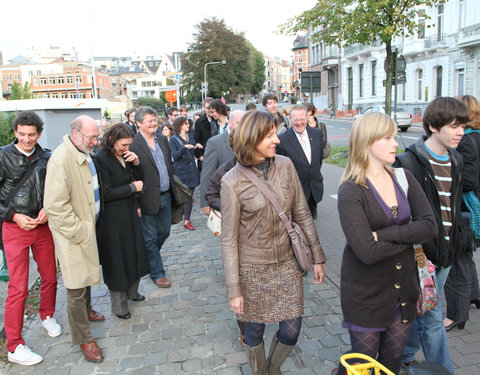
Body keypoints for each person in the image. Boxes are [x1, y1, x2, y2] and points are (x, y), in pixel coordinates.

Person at [221, 110, 326, 375]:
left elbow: (302, 212)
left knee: (291, 330)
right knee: (254, 329)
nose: (276, 140)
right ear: (251, 139)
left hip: (288, 264)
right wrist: (235, 289)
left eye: (275, 133)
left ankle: (273, 367)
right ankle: (260, 372)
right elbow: (229, 240)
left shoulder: (286, 165)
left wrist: (317, 256)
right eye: (269, 135)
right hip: (252, 269)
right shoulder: (231, 181)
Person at [334, 112, 437, 375]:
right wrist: (408, 235)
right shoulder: (351, 190)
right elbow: (367, 251)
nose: (396, 144)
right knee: (362, 363)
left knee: (391, 362)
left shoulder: (403, 178)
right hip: (366, 294)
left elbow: (429, 226)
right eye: (388, 138)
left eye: (394, 137)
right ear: (368, 141)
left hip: (404, 291)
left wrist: (386, 235)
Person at [394, 97, 473, 374]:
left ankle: (403, 354)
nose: (460, 132)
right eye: (453, 126)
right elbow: (403, 213)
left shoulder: (457, 158)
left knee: (424, 307)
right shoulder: (407, 162)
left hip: (448, 251)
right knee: (433, 319)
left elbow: (453, 203)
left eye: (462, 125)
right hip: (421, 255)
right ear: (432, 126)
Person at [0, 111, 61, 366]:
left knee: (49, 275)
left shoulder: (46, 156)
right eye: (22, 134)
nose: (26, 139)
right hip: (15, 228)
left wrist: (49, 207)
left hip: (42, 226)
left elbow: (55, 189)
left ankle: (47, 314)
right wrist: (14, 216)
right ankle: (14, 345)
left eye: (31, 134)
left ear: (39, 133)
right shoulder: (2, 157)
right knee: (18, 287)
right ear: (15, 132)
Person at [44, 115, 105, 363]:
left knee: (86, 277)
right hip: (74, 234)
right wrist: (80, 230)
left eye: (96, 136)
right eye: (92, 137)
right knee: (76, 287)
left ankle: (88, 311)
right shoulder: (61, 158)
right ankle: (84, 338)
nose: (95, 141)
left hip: (86, 228)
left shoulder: (82, 149)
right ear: (77, 134)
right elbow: (55, 206)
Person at [95, 124, 150, 320]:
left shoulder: (125, 155)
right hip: (112, 217)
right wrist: (131, 188)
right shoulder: (101, 158)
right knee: (117, 260)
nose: (126, 148)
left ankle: (133, 292)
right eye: (123, 144)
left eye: (128, 145)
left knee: (134, 252)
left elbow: (141, 179)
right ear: (112, 139)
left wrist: (136, 163)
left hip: (129, 210)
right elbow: (106, 193)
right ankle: (119, 306)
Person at [130, 106, 179, 288]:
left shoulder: (161, 139)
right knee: (150, 237)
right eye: (149, 121)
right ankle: (157, 272)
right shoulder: (133, 144)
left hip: (166, 194)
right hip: (146, 197)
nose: (154, 124)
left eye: (154, 120)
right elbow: (131, 174)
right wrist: (136, 202)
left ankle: (145, 257)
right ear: (139, 123)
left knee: (164, 231)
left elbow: (169, 165)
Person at [443, 94, 480, 330]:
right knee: (466, 257)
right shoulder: (475, 137)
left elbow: (467, 180)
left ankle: (457, 314)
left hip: (467, 209)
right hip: (474, 207)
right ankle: (475, 295)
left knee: (457, 261)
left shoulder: (465, 141)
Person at [276, 105, 325, 220]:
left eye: (302, 119)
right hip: (294, 194)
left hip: (314, 191)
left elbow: (318, 159)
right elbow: (279, 168)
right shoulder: (282, 140)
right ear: (290, 119)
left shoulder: (317, 134)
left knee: (311, 224)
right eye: (296, 119)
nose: (299, 123)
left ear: (307, 118)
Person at [199, 110, 245, 216]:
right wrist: (205, 202)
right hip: (224, 201)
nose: (243, 126)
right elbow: (207, 174)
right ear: (229, 123)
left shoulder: (250, 140)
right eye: (239, 123)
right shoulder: (215, 143)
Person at [169, 117, 201, 230]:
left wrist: (198, 147)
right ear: (180, 125)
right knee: (185, 196)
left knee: (190, 196)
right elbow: (175, 156)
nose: (189, 125)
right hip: (181, 171)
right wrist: (183, 147)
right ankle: (184, 218)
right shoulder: (173, 140)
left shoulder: (190, 138)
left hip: (191, 171)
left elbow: (196, 154)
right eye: (186, 123)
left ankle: (186, 219)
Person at [194, 97, 215, 171]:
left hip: (216, 154)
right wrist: (200, 156)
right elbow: (196, 139)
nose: (209, 110)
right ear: (204, 107)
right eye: (207, 108)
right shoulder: (199, 122)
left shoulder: (217, 120)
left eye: (211, 108)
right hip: (204, 155)